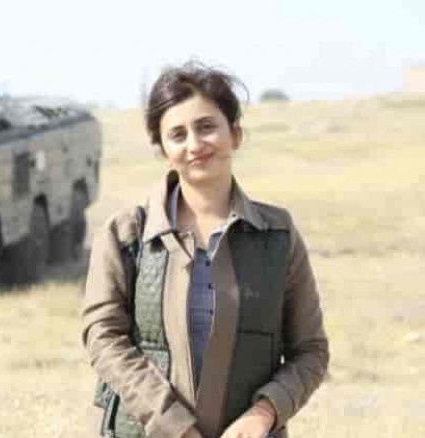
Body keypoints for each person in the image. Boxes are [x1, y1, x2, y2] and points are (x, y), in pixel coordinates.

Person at [81, 62, 329, 438]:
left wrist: (264, 413)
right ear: (163, 149)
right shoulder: (126, 235)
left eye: (207, 127)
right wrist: (172, 424)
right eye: (177, 134)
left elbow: (310, 350)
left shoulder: (276, 236)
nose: (195, 145)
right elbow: (103, 338)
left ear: (235, 134)